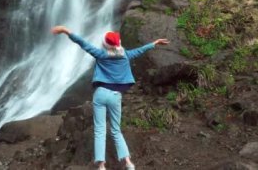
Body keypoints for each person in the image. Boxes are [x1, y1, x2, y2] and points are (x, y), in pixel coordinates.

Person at [51, 26, 170, 170]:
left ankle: (101, 166)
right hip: (115, 96)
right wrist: (154, 43)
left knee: (100, 130)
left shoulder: (101, 54)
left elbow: (82, 43)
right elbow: (140, 50)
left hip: (100, 94)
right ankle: (128, 163)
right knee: (116, 130)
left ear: (105, 44)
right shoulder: (126, 55)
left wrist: (66, 31)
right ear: (119, 43)